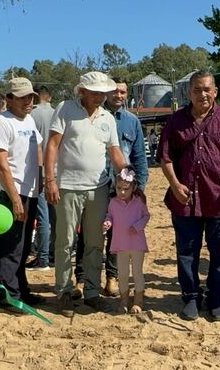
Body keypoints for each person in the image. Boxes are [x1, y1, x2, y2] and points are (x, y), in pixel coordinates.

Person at [157, 70, 220, 322]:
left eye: (206, 89)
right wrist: (174, 184)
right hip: (186, 199)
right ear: (188, 92)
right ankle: (191, 297)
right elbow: (166, 157)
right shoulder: (175, 122)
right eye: (196, 89)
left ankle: (216, 299)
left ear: (215, 91)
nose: (202, 94)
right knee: (186, 252)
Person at [44, 71, 128, 317]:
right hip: (68, 186)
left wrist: (128, 174)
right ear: (82, 91)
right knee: (65, 242)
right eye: (95, 93)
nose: (100, 97)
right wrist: (50, 180)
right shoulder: (65, 109)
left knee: (94, 243)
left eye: (103, 93)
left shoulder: (107, 118)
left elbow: (115, 153)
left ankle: (91, 293)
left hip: (98, 188)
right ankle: (64, 292)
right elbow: (52, 145)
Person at [75, 78, 149, 297]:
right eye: (115, 91)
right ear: (107, 93)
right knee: (89, 232)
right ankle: (82, 279)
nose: (119, 95)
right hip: (96, 184)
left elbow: (138, 157)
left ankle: (112, 278)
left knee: (119, 233)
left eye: (123, 92)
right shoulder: (93, 117)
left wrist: (139, 187)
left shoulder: (132, 121)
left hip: (122, 189)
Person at [0, 77, 44, 306]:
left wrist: (42, 182)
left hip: (31, 191)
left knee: (24, 245)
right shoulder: (2, 122)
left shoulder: (29, 121)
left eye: (30, 97)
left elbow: (36, 151)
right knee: (12, 245)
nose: (28, 101)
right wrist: (14, 197)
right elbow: (1, 163)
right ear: (8, 99)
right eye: (22, 97)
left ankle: (19, 289)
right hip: (12, 191)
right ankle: (7, 294)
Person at [103, 167, 149, 314]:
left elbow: (146, 216)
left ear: (133, 187)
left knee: (137, 273)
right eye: (119, 188)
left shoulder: (139, 202)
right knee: (122, 274)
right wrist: (107, 222)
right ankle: (123, 300)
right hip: (120, 243)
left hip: (137, 244)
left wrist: (138, 226)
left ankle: (138, 301)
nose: (122, 192)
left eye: (126, 189)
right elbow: (109, 215)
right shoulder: (113, 203)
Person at [26, 84, 55, 272]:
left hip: (39, 171)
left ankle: (42, 257)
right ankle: (53, 254)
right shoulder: (58, 114)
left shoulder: (31, 116)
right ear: (50, 97)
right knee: (56, 217)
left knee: (42, 216)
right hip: (58, 171)